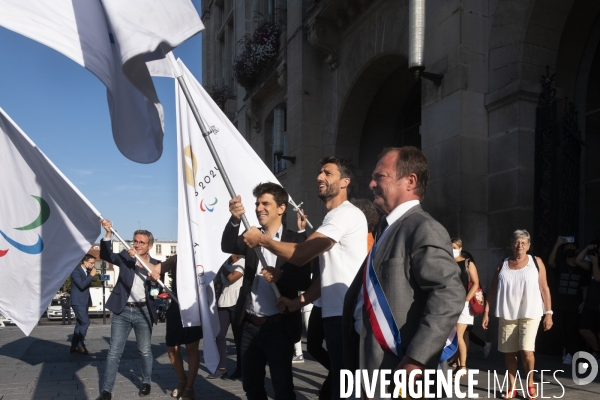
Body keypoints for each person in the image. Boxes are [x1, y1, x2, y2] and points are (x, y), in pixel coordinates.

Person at [341, 146, 464, 399]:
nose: (372, 184)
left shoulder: (423, 227)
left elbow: (449, 294)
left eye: (380, 176)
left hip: (400, 366)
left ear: (410, 181)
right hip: (370, 362)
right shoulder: (387, 229)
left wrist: (417, 359)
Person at [242, 157, 368, 400]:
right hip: (336, 314)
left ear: (345, 182)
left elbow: (300, 256)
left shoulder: (343, 215)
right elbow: (327, 276)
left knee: (347, 391)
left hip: (346, 316)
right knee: (339, 388)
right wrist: (299, 302)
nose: (319, 177)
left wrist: (263, 240)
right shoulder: (333, 219)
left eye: (327, 173)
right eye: (320, 172)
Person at [221, 182, 311, 400]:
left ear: (281, 208)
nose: (259, 208)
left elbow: (304, 279)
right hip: (250, 324)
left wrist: (281, 276)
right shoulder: (252, 236)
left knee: (282, 387)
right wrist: (234, 219)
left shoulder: (296, 240)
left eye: (265, 203)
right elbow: (227, 245)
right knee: (251, 386)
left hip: (279, 325)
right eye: (257, 203)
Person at [483, 229, 553, 400]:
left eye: (523, 242)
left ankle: (530, 383)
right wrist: (486, 312)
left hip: (531, 313)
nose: (519, 245)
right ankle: (512, 386)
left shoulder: (536, 262)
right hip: (507, 313)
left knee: (527, 351)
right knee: (509, 352)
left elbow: (544, 288)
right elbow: (492, 290)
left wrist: (548, 313)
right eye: (516, 241)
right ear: (511, 244)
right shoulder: (503, 263)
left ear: (528, 246)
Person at [98, 219, 161, 400]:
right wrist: (108, 234)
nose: (137, 244)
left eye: (141, 242)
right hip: (122, 310)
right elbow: (106, 255)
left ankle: (146, 381)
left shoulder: (156, 264)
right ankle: (107, 390)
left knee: (145, 350)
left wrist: (145, 269)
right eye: (135, 241)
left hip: (144, 311)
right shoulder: (126, 257)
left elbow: (157, 288)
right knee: (114, 352)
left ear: (150, 245)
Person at [155, 254, 202, 400]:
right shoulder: (178, 256)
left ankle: (189, 387)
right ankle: (182, 379)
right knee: (171, 349)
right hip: (177, 303)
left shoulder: (203, 255)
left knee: (191, 349)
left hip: (195, 303)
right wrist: (138, 257)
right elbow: (156, 268)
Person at [548, 237, 590, 364]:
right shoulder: (561, 264)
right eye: (567, 249)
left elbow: (585, 286)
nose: (569, 251)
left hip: (574, 303)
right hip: (560, 302)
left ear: (577, 250)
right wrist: (557, 245)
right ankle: (565, 349)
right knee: (559, 327)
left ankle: (571, 353)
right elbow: (550, 263)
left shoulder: (581, 267)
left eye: (572, 249)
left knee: (572, 328)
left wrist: (583, 301)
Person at [211, 254, 245, 380]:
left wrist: (221, 267)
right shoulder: (225, 263)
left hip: (237, 303)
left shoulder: (243, 262)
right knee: (219, 335)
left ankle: (241, 369)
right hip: (223, 302)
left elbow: (232, 278)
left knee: (239, 338)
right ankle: (221, 368)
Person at [450, 238, 480, 377]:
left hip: (463, 304)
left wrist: (466, 300)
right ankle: (458, 364)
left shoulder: (468, 263)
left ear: (460, 248)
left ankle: (463, 366)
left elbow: (475, 283)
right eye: (450, 247)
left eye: (455, 247)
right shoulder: (447, 262)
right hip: (449, 303)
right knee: (454, 335)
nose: (452, 249)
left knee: (459, 335)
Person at [69, 254, 97, 354]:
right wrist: (91, 276)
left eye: (94, 263)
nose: (93, 265)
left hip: (84, 301)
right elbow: (81, 285)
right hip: (78, 301)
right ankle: (80, 345)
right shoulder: (76, 271)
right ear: (84, 262)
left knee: (80, 323)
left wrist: (90, 275)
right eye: (91, 263)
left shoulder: (86, 271)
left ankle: (74, 346)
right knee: (85, 322)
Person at [576, 241, 599, 360]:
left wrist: (595, 262)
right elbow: (578, 261)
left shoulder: (595, 264)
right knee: (584, 329)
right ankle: (597, 351)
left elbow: (598, 278)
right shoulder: (592, 265)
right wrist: (586, 248)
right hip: (591, 303)